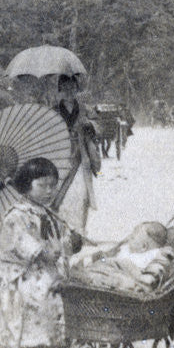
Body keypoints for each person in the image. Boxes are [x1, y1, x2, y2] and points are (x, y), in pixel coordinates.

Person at [0, 157, 84, 348]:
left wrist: (71, 241)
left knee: (51, 315)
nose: (49, 191)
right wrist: (43, 251)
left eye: (52, 185)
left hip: (44, 277)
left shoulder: (47, 213)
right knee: (26, 325)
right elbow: (21, 243)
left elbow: (59, 241)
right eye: (42, 185)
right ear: (27, 185)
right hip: (22, 279)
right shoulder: (16, 216)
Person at [53, 74, 102, 232]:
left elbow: (99, 127)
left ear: (76, 89)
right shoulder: (53, 110)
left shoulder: (85, 109)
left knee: (81, 194)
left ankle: (79, 231)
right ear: (60, 89)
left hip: (81, 157)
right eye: (65, 88)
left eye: (72, 88)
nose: (69, 92)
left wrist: (90, 125)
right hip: (60, 156)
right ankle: (61, 230)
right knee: (60, 195)